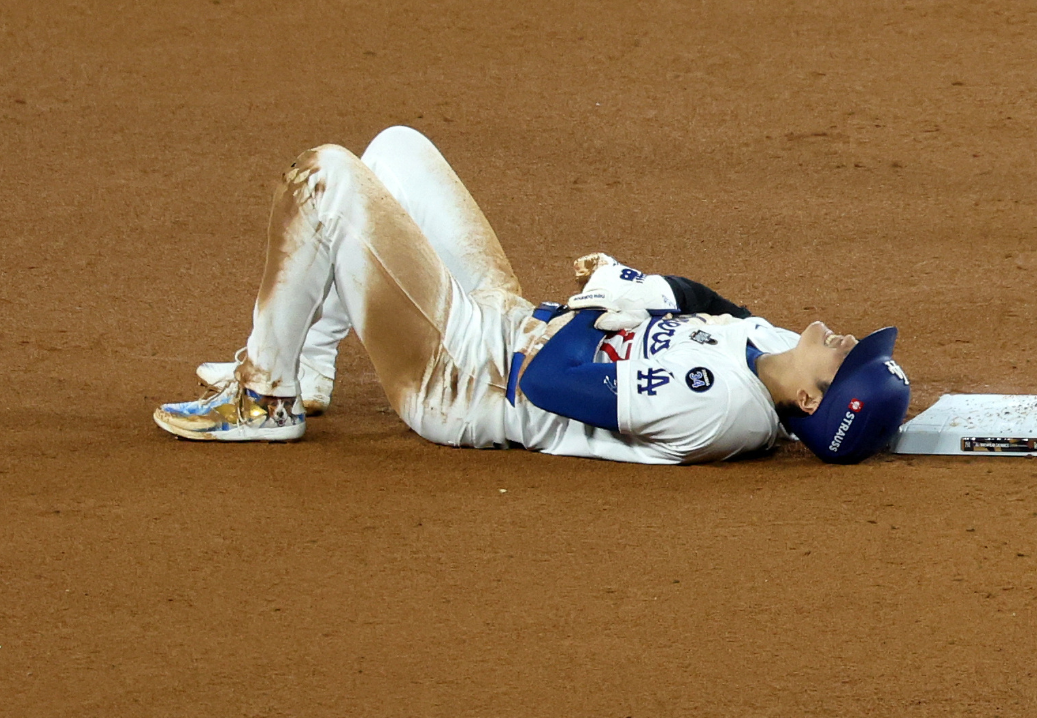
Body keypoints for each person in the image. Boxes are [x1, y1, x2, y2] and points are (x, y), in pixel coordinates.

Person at [153, 126, 911, 465]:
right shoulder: (774, 353)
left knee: (325, 174)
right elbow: (711, 306)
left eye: (847, 358)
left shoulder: (721, 410)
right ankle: (310, 367)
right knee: (394, 149)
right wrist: (642, 287)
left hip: (467, 377)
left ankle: (265, 397)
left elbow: (548, 382)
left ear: (812, 402)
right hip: (508, 322)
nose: (844, 339)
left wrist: (597, 304)